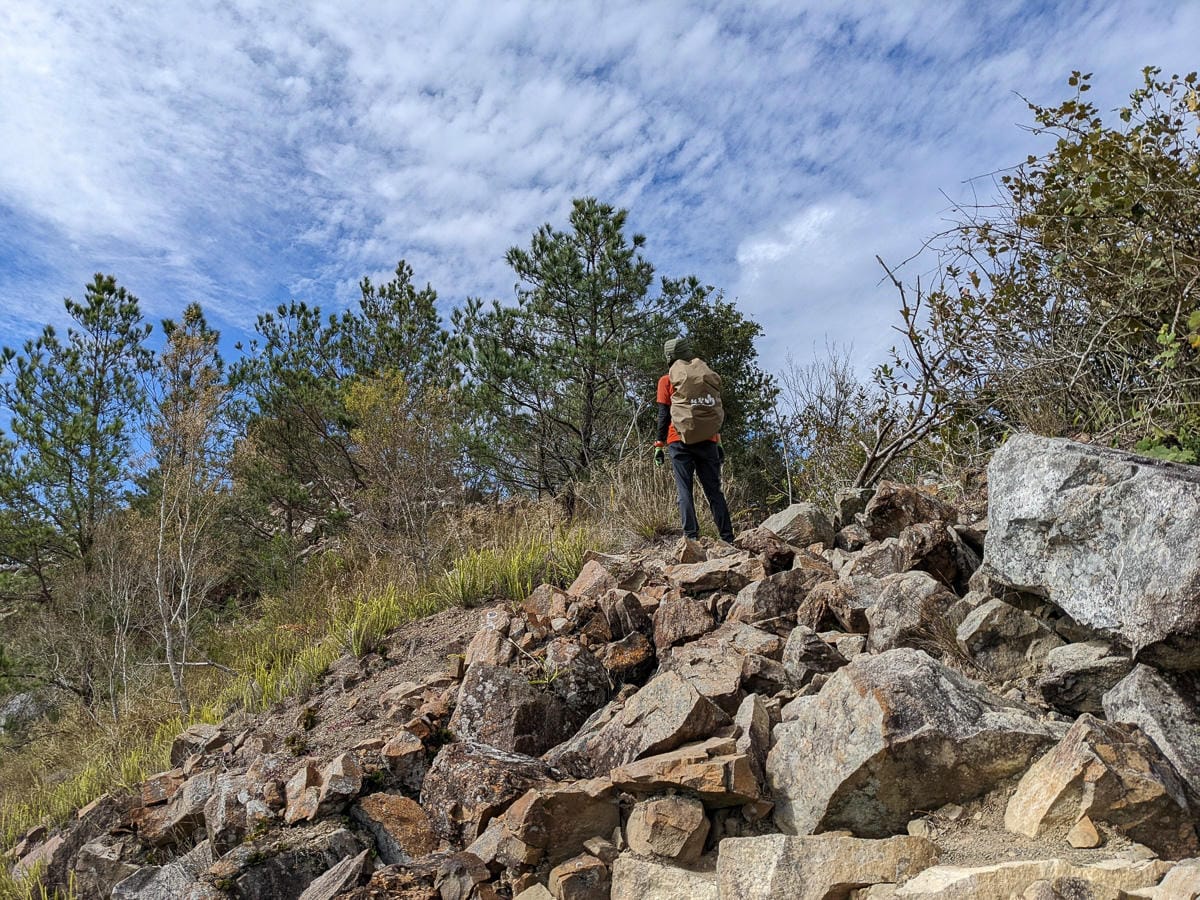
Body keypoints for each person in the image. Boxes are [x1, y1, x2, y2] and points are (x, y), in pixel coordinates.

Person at [654, 337, 735, 542]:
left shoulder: (667, 380)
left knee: (684, 490)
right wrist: (718, 442)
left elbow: (663, 415)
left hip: (678, 440)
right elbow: (709, 411)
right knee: (714, 491)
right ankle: (727, 538)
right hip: (708, 440)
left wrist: (659, 444)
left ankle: (691, 538)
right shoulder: (703, 378)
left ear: (669, 357)